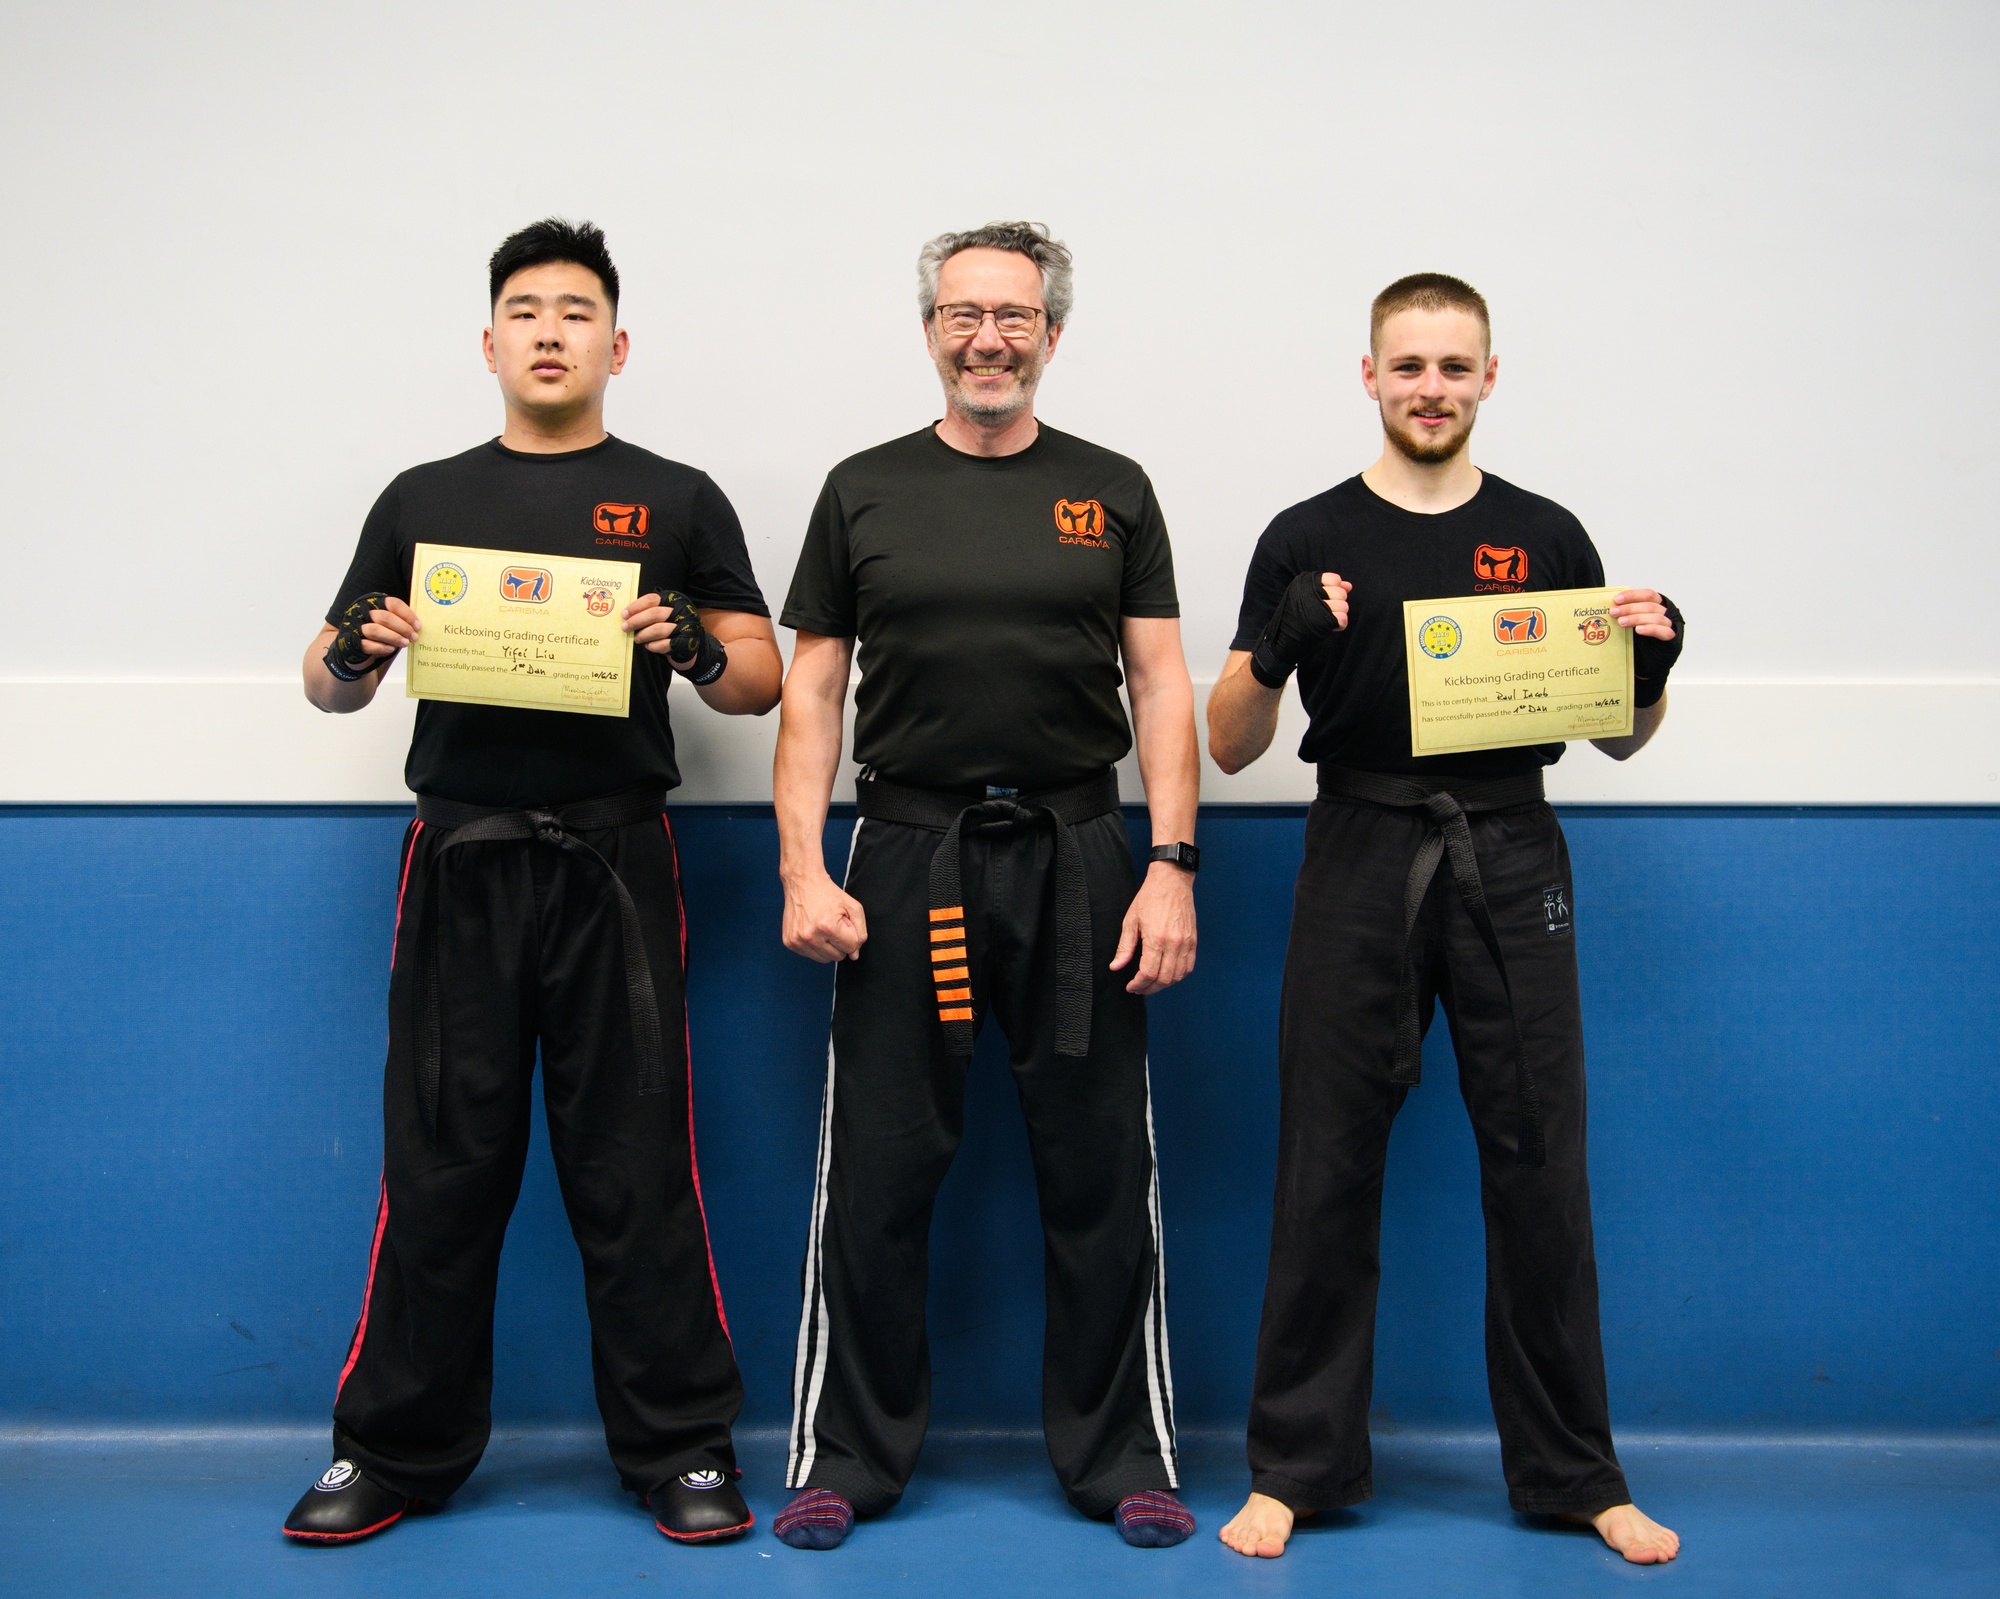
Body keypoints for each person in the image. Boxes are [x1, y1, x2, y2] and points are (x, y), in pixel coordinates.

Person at [281, 219, 781, 1547]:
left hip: (614, 863)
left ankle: (682, 1448)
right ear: (490, 343)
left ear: (617, 345)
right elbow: (327, 685)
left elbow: (760, 677)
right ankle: (390, 1450)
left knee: (635, 1163)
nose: (550, 331)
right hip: (463, 862)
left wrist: (690, 643)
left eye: (575, 312)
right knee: (440, 1164)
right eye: (525, 311)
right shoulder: (421, 499)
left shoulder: (676, 498)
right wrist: (355, 648)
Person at [1208, 274, 1684, 1566]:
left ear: (1489, 377)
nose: (1431, 388)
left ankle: (1576, 1476)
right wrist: (1274, 649)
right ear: (1369, 375)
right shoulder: (1306, 533)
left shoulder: (1547, 534)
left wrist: (1650, 670)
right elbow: (1232, 744)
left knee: (1541, 1165)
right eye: (1408, 366)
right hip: (1358, 844)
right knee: (1325, 1159)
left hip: (1512, 847)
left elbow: (1621, 738)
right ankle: (1295, 1468)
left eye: (1453, 367)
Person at [769, 222, 1201, 1551]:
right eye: (963, 314)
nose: (988, 338)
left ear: (1052, 335)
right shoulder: (862, 490)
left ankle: (1120, 1454)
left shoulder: (1112, 489)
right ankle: (850, 1454)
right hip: (909, 854)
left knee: (1097, 1169)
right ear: (930, 332)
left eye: (1014, 315)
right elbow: (814, 691)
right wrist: (802, 866)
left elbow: (1160, 683)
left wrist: (1171, 866)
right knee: (880, 1172)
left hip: (1080, 856)